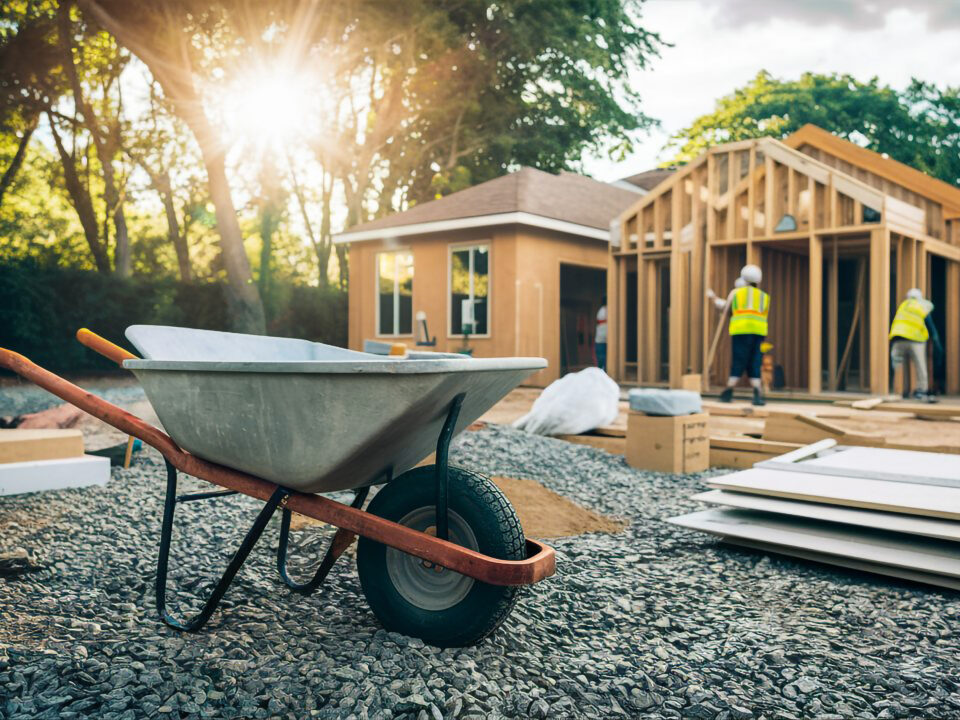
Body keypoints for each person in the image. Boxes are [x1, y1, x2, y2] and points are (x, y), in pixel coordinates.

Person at [707, 264, 770, 406]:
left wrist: (713, 297)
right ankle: (757, 395)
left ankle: (728, 392)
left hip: (741, 332)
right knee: (755, 361)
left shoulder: (736, 293)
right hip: (759, 333)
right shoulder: (763, 296)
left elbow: (724, 307)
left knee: (739, 361)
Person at [889, 288, 942, 402]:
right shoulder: (921, 306)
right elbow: (929, 323)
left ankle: (898, 390)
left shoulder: (903, 306)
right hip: (916, 339)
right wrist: (935, 338)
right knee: (920, 366)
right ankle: (921, 391)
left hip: (898, 338)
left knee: (897, 364)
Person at [595, 297, 608, 371]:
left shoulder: (602, 310)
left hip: (601, 339)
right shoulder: (604, 310)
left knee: (601, 359)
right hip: (602, 339)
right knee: (602, 359)